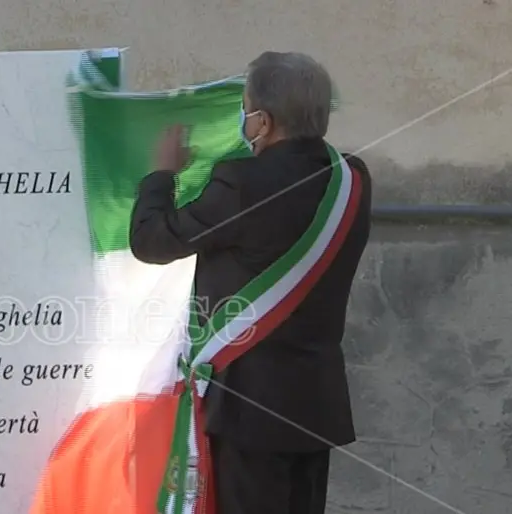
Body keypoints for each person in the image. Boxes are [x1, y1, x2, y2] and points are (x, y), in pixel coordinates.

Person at [128, 51, 373, 514]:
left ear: (262, 121)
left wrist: (161, 175)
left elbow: (152, 241)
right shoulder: (352, 182)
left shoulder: (243, 183)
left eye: (245, 107)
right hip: (313, 405)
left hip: (246, 408)